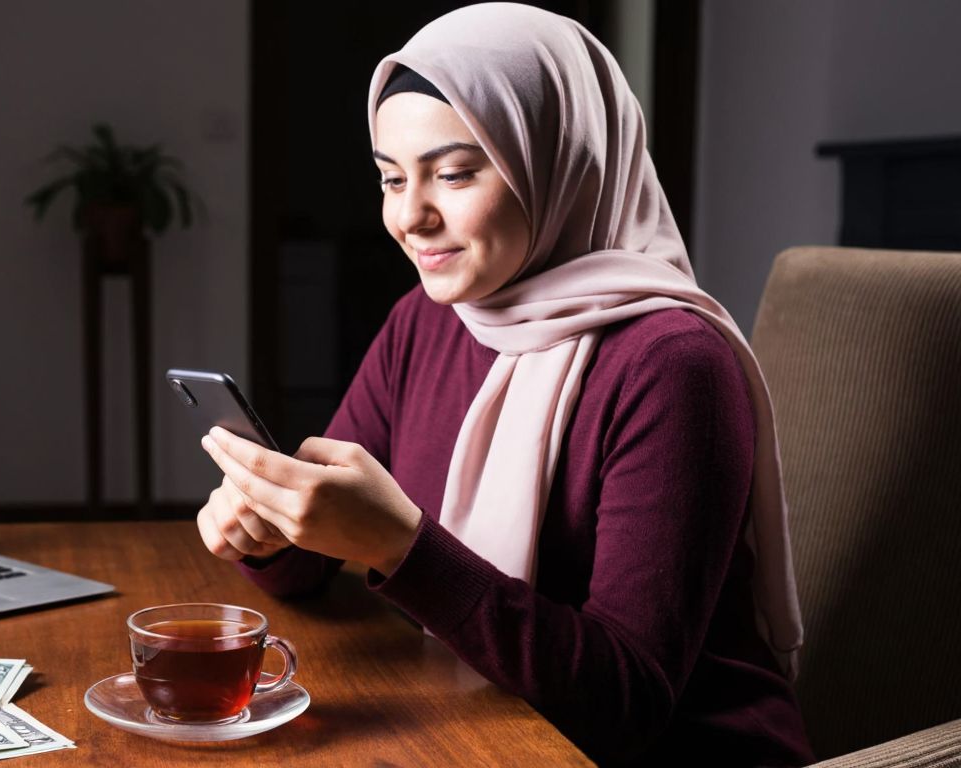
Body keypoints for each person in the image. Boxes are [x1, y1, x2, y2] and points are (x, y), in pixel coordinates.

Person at [194, 4, 812, 766]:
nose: (410, 217)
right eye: (391, 178)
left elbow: (628, 703)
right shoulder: (425, 321)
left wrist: (399, 544)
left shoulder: (673, 363)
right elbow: (311, 570)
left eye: (453, 173)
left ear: (560, 159)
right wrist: (271, 527)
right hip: (475, 732)